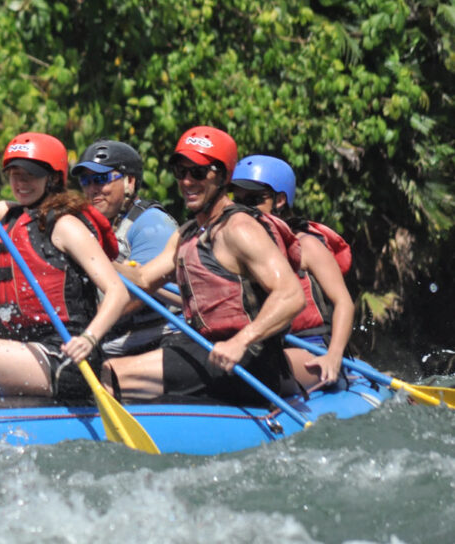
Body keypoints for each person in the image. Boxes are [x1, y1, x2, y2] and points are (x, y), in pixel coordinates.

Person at [0, 122, 130, 400]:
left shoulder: (65, 225)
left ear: (53, 178)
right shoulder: (8, 216)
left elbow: (117, 291)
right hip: (25, 349)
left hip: (66, 356)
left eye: (31, 176)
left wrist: (89, 339)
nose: (21, 183)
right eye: (15, 174)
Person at [104, 127, 306, 404]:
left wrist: (241, 341)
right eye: (180, 171)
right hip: (203, 348)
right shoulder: (188, 232)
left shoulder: (239, 229)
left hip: (248, 359)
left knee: (112, 372)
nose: (187, 181)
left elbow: (291, 295)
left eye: (198, 173)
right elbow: (142, 279)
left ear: (223, 177)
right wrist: (96, 255)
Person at [231, 154, 355, 388]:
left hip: (313, 347)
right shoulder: (244, 252)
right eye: (237, 202)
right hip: (271, 348)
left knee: (248, 369)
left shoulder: (306, 246)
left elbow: (344, 303)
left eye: (253, 200)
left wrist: (334, 356)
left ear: (279, 200)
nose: (243, 211)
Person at [72, 140, 179, 355]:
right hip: (117, 336)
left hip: (160, 335)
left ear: (130, 182)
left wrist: (86, 328)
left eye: (101, 179)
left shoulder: (151, 223)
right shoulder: (88, 227)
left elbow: (138, 294)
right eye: (86, 181)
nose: (93, 189)